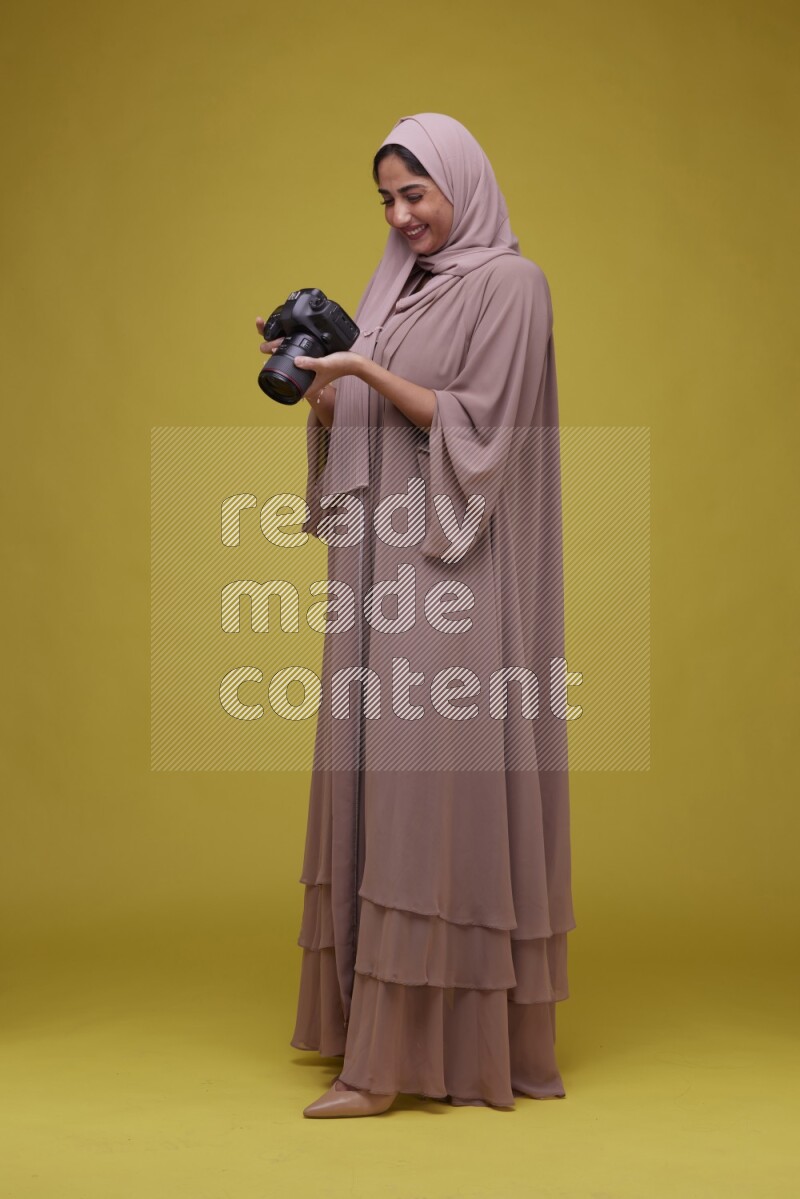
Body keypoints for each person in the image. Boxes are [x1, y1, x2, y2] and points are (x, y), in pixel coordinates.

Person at [255, 112, 576, 1117]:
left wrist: (362, 370)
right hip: (379, 563)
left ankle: (406, 1059)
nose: (401, 217)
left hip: (453, 562)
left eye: (415, 195)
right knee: (373, 769)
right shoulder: (393, 292)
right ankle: (374, 1031)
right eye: (388, 200)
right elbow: (369, 422)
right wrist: (318, 384)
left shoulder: (512, 286)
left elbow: (482, 423)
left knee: (425, 783)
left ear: (461, 186)